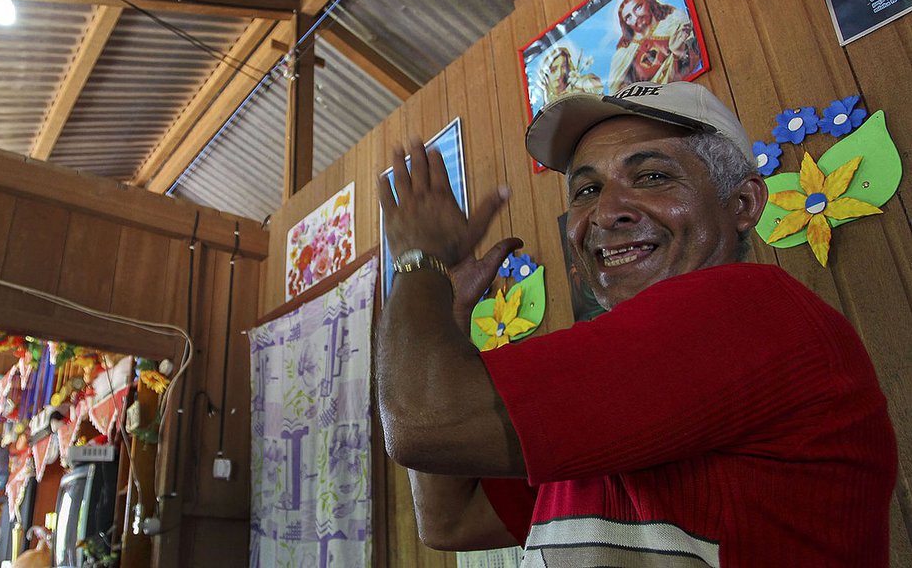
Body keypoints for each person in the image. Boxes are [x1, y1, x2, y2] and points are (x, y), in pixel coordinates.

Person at [376, 80, 897, 566]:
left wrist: (416, 262)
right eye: (585, 190)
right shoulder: (613, 377)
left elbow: (424, 425)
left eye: (651, 177)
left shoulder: (753, 308)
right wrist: (446, 313)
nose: (606, 212)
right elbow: (452, 520)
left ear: (743, 203)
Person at [608, 0, 701, 91]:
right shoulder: (624, 53)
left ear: (649, 2)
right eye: (628, 17)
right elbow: (618, 91)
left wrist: (678, 52)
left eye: (638, 7)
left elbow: (697, 48)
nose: (635, 17)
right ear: (625, 24)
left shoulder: (674, 22)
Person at [538, 46, 603, 103]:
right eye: (553, 70)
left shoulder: (579, 84)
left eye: (563, 66)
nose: (559, 74)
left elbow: (597, 86)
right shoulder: (548, 102)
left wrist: (580, 85)